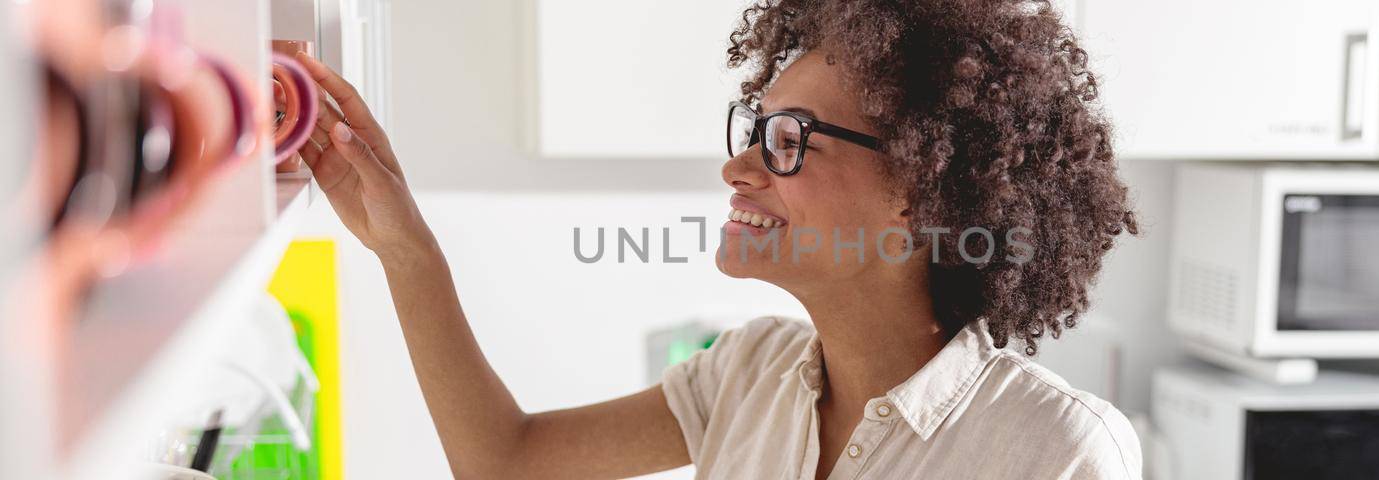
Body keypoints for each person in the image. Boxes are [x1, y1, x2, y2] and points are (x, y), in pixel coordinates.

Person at [293, 0, 1140, 478]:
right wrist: (406, 251)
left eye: (789, 139)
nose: (738, 166)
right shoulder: (749, 374)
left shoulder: (1054, 452)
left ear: (923, 193)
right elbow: (505, 462)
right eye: (753, 126)